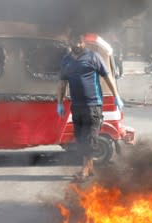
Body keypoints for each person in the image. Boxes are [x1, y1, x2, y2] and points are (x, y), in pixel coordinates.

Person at [57, 31, 123, 182]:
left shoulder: (93, 57)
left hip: (93, 105)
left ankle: (84, 171)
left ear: (84, 43)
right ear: (70, 42)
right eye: (74, 42)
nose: (77, 45)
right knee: (80, 139)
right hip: (77, 106)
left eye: (80, 42)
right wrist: (59, 103)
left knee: (89, 139)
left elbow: (107, 77)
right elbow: (62, 83)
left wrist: (116, 96)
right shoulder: (66, 61)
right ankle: (90, 168)